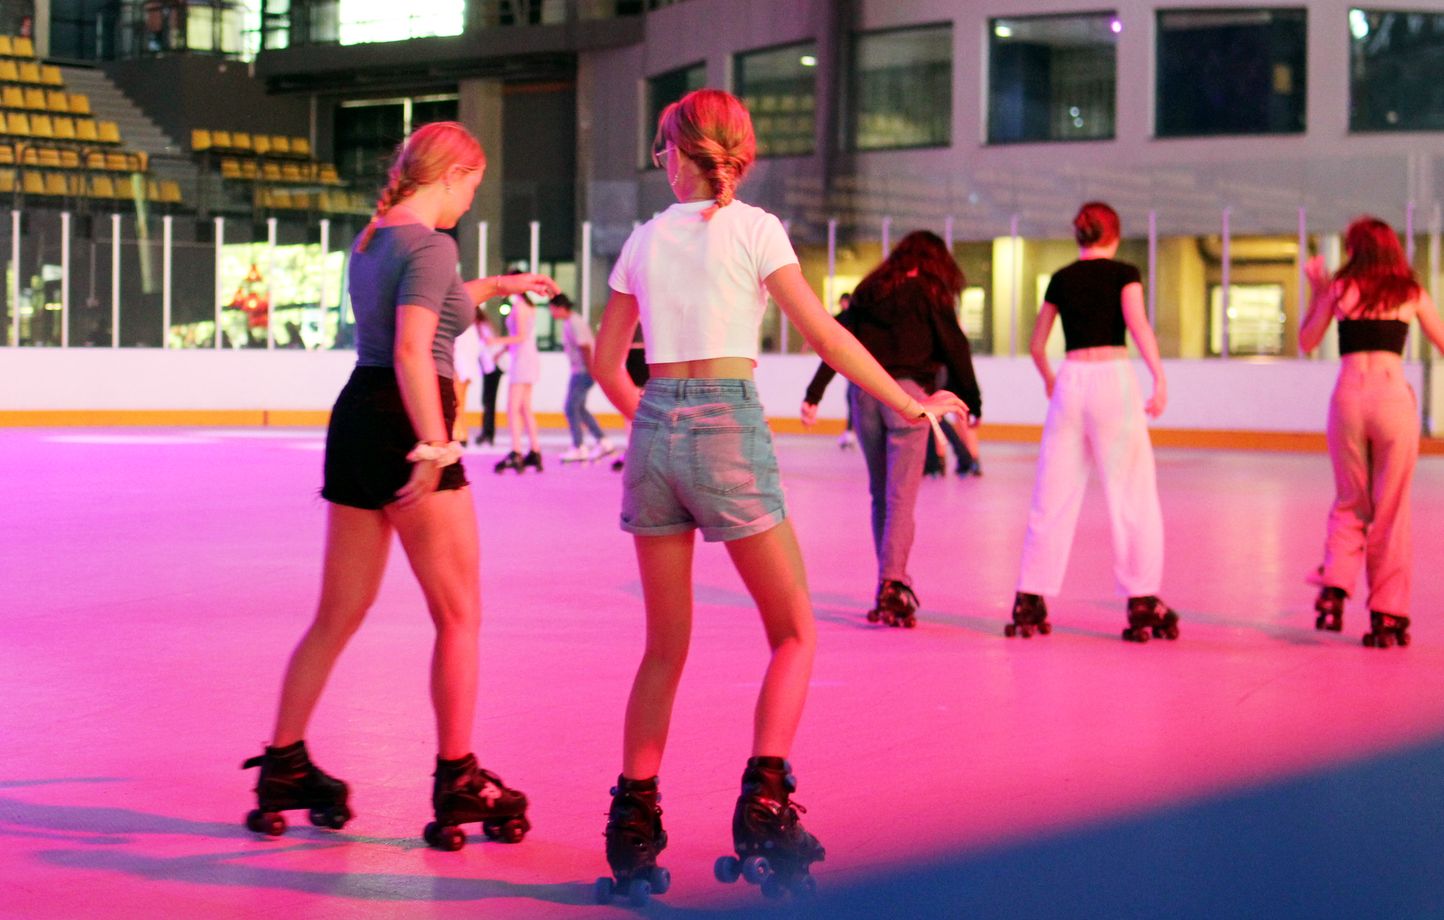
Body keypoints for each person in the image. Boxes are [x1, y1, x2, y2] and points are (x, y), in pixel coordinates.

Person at [591, 89, 967, 905]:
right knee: (793, 630)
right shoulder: (756, 230)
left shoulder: (642, 242)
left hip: (654, 429)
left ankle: (632, 825)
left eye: (662, 147)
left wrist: (658, 425)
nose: (658, 160)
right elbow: (828, 335)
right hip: (728, 422)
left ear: (680, 152)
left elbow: (606, 363)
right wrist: (910, 403)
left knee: (664, 648)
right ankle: (764, 806)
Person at [242, 122, 559, 851]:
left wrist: (500, 286)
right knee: (460, 613)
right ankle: (457, 778)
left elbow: (434, 308)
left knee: (338, 613)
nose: (469, 203)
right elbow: (418, 348)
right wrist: (436, 443)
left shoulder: (376, 238)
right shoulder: (431, 243)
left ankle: (284, 764)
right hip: (408, 419)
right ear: (452, 173)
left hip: (357, 418)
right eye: (472, 187)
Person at [1009, 202, 1176, 643]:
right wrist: (1158, 378)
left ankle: (1030, 598)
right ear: (1114, 234)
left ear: (1079, 236)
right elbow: (1138, 325)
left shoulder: (1062, 278)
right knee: (1132, 493)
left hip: (1071, 381)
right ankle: (1142, 601)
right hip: (1112, 381)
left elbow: (1037, 343)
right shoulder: (1125, 273)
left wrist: (1050, 380)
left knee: (1053, 492)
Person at [801, 230, 982, 628]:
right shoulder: (930, 294)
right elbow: (956, 347)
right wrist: (973, 402)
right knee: (901, 498)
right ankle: (893, 583)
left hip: (864, 395)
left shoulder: (870, 290)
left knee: (880, 494)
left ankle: (887, 581)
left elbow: (836, 339)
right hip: (908, 399)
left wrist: (814, 393)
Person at [1300, 216, 1444, 648]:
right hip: (1392, 399)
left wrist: (1318, 290)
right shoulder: (1410, 292)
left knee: (1350, 500)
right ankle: (1387, 613)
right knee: (1390, 509)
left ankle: (1334, 586)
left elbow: (1307, 341)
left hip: (1348, 399)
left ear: (1355, 250)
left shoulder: (1340, 289)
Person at [550, 292, 617, 462]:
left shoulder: (574, 322)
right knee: (578, 407)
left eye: (552, 309)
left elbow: (585, 347)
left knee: (571, 407)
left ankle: (579, 446)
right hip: (580, 370)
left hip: (583, 371)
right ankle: (603, 442)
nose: (552, 313)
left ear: (560, 307)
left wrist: (590, 369)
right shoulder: (569, 322)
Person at [491, 276, 543, 473]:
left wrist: (496, 342)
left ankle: (516, 451)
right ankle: (535, 451)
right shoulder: (528, 306)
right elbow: (524, 336)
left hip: (522, 359)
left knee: (513, 407)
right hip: (526, 356)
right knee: (524, 407)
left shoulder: (519, 307)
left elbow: (520, 336)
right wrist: (502, 350)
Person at [473, 304, 505, 446]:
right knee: (487, 400)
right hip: (490, 368)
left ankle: (488, 433)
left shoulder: (482, 327)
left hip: (493, 368)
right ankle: (487, 432)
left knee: (488, 401)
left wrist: (495, 358)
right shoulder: (482, 326)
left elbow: (492, 346)